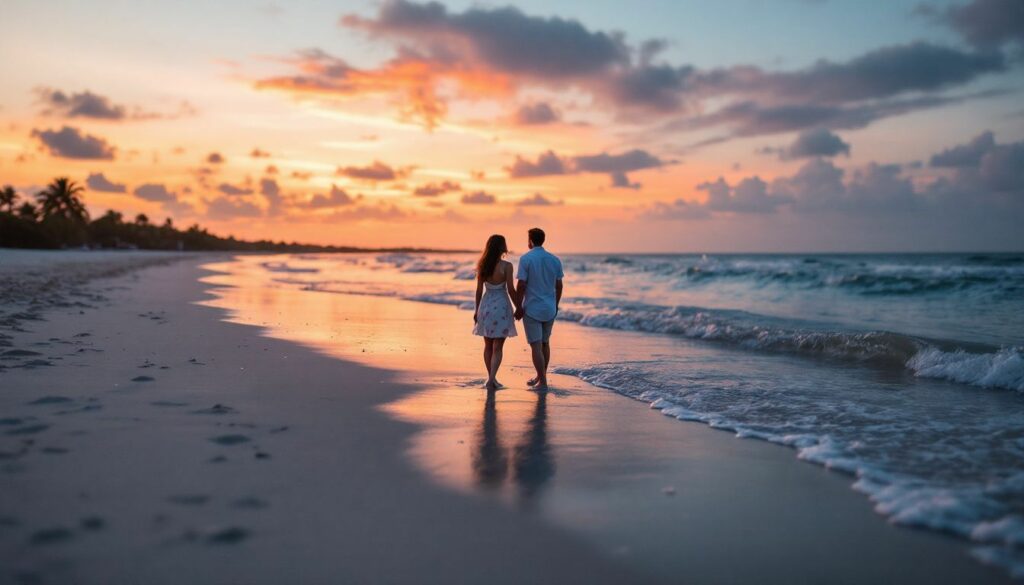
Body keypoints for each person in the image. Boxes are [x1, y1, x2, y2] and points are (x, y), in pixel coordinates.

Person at [514, 228, 563, 391]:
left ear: (530, 240)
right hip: (549, 308)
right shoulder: (555, 260)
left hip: (532, 308)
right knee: (545, 343)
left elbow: (521, 285)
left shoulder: (526, 259)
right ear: (543, 240)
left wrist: (518, 306)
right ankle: (541, 376)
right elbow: (559, 285)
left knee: (536, 345)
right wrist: (555, 305)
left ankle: (543, 382)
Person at [473, 234, 519, 391]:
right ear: (502, 248)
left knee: (488, 345)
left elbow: (479, 291)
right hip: (501, 307)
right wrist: (519, 306)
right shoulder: (507, 266)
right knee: (498, 347)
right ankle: (492, 379)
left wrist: (476, 310)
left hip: (486, 306)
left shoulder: (482, 266)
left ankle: (490, 378)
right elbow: (511, 290)